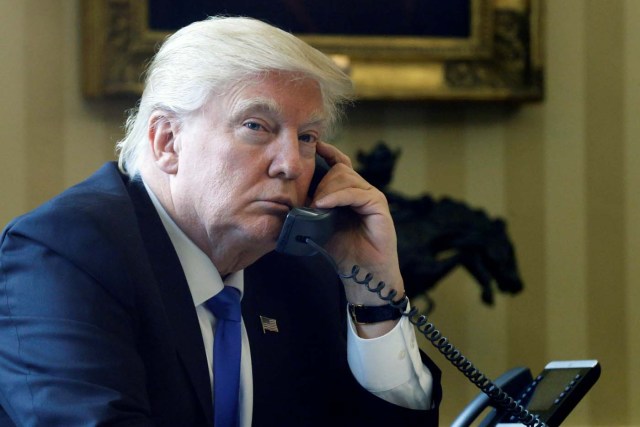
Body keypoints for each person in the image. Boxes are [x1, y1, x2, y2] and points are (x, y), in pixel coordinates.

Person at [0, 16, 441, 427]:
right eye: (256, 126)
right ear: (167, 141)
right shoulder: (63, 254)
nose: (291, 164)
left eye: (307, 138)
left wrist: (373, 294)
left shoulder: (302, 269)